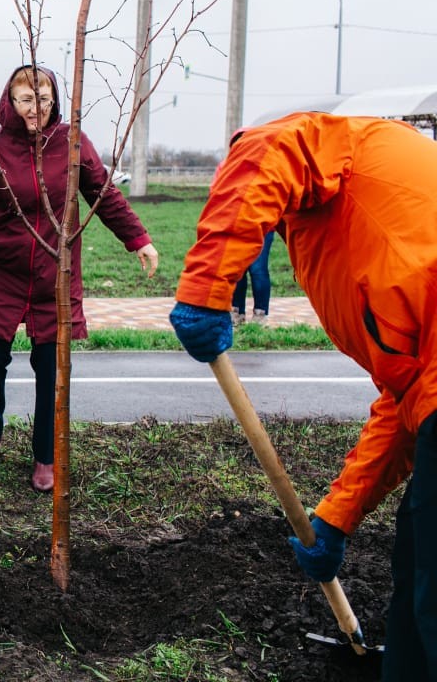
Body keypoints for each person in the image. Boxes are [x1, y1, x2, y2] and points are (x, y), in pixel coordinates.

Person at [169, 112, 437, 680]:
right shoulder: (364, 220)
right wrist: (337, 519)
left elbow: (268, 148)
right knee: (419, 572)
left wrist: (206, 286)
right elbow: (407, 399)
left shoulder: (328, 143)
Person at [0, 65, 159, 492]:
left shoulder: (72, 143)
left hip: (56, 272)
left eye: (44, 99)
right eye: (27, 100)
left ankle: (45, 456)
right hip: (2, 269)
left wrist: (137, 238)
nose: (37, 108)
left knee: (51, 369)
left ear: (56, 99)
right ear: (10, 103)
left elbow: (103, 194)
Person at [231, 231, 274, 326]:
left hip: (263, 227)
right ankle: (236, 311)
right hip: (239, 226)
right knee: (238, 267)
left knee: (258, 269)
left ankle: (260, 314)